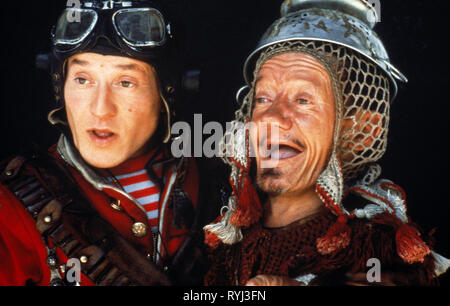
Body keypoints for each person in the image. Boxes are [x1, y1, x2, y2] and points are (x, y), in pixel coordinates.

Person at [204, 0, 450, 286]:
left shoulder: (378, 255)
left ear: (362, 130)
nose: (270, 118)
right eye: (262, 99)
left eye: (303, 100)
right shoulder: (223, 238)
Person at [0, 0, 219, 286]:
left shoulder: (224, 188)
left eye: (125, 82)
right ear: (60, 87)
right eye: (82, 79)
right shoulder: (11, 208)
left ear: (168, 92)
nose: (101, 109)